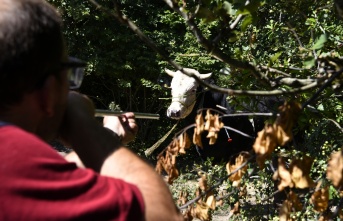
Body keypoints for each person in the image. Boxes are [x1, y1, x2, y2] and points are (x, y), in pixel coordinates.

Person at [0, 0, 183, 220]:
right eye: (67, 73)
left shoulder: (15, 169)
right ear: (48, 92)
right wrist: (83, 125)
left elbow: (51, 178)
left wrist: (109, 136)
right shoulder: (10, 158)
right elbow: (160, 214)